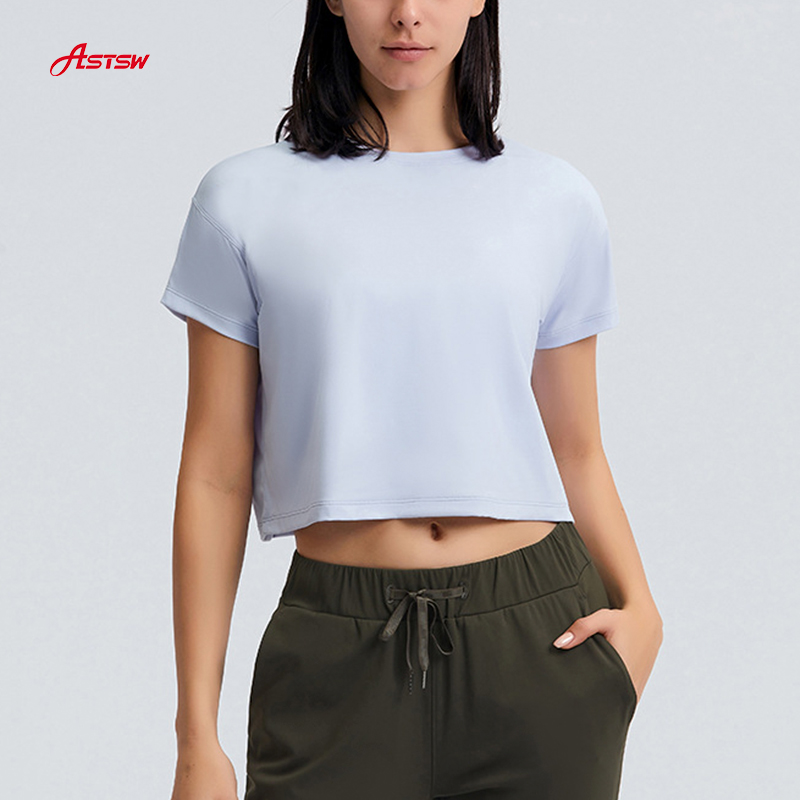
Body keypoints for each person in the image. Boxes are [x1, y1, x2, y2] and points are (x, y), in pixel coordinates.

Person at [162, 1, 664, 799]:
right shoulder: (243, 199)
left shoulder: (553, 199)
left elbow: (576, 446)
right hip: (336, 648)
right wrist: (196, 736)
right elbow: (215, 471)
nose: (406, 14)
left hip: (539, 642)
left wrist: (641, 613)